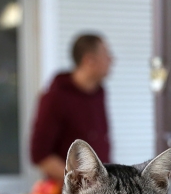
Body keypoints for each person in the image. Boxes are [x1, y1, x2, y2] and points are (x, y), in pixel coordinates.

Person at [30, 33, 113, 180]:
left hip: (98, 193)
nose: (111, 59)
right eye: (106, 53)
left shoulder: (99, 92)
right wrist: (79, 181)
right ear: (89, 60)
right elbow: (40, 155)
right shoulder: (55, 98)